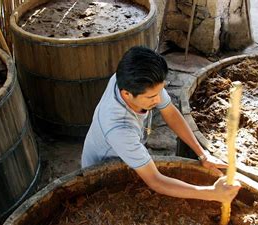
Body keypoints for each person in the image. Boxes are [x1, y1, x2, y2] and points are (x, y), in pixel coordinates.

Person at [82, 46, 240, 204]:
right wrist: (212, 193)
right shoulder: (120, 129)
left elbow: (170, 112)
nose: (158, 100)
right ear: (126, 94)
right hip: (104, 168)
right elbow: (156, 181)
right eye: (151, 97)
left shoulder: (133, 79)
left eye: (160, 91)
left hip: (128, 149)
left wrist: (202, 154)